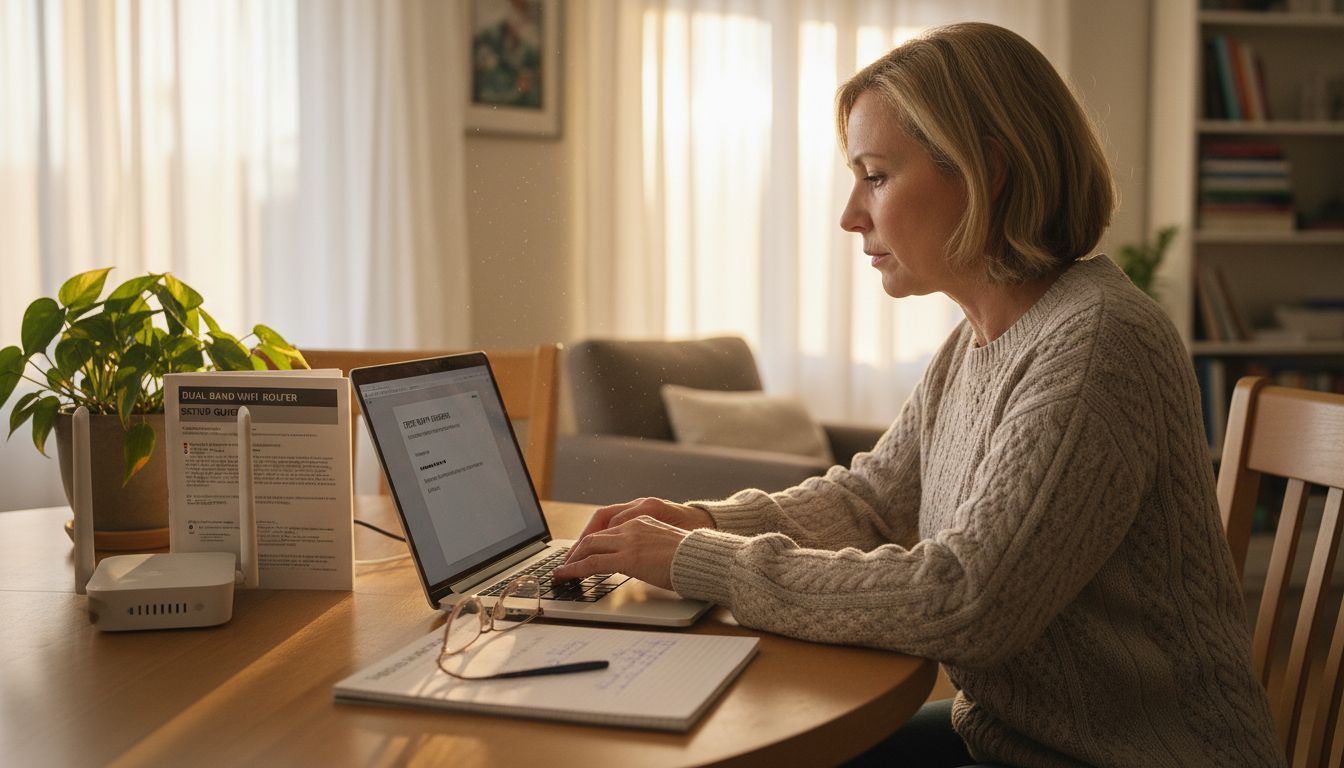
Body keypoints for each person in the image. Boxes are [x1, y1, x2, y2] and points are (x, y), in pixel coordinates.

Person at [553, 22, 1282, 768]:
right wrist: (702, 519)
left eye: (875, 175)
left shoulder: (1097, 343)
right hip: (1012, 739)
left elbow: (968, 600)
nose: (850, 214)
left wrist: (702, 559)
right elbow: (872, 503)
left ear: (987, 168)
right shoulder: (978, 339)